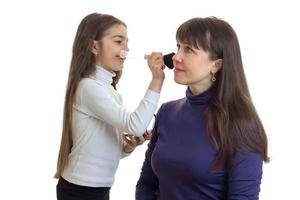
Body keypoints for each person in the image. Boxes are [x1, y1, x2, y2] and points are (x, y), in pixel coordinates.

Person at [136, 17, 269, 200]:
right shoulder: (166, 112)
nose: (176, 57)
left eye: (189, 49)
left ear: (216, 65)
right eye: (178, 47)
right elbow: (146, 185)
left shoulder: (242, 124)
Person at [54, 13, 165, 200]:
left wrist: (127, 147)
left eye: (127, 42)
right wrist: (157, 79)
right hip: (80, 190)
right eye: (118, 41)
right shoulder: (89, 87)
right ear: (95, 46)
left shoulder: (107, 89)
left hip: (97, 188)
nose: (126, 48)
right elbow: (135, 125)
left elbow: (101, 152)